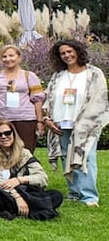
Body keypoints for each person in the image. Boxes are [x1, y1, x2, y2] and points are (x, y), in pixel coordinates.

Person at [42, 38, 107, 207]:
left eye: (69, 51)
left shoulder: (93, 73)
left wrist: (85, 122)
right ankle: (74, 191)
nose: (66, 55)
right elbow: (49, 98)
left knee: (86, 157)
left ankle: (89, 196)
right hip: (61, 123)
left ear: (78, 51)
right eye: (62, 53)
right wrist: (47, 119)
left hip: (86, 125)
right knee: (67, 157)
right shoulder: (58, 76)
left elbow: (100, 99)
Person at [0, 118, 62, 220]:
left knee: (56, 195)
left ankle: (14, 210)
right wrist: (17, 197)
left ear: (13, 133)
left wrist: (19, 180)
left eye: (7, 133)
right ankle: (36, 209)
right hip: (1, 192)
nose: (3, 137)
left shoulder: (24, 153)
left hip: (24, 191)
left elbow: (42, 178)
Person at [0, 44, 45, 151]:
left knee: (25, 150)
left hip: (25, 119)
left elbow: (38, 100)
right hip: (0, 119)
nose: (8, 59)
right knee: (1, 151)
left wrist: (40, 121)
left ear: (19, 57)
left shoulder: (29, 76)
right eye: (4, 56)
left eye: (11, 56)